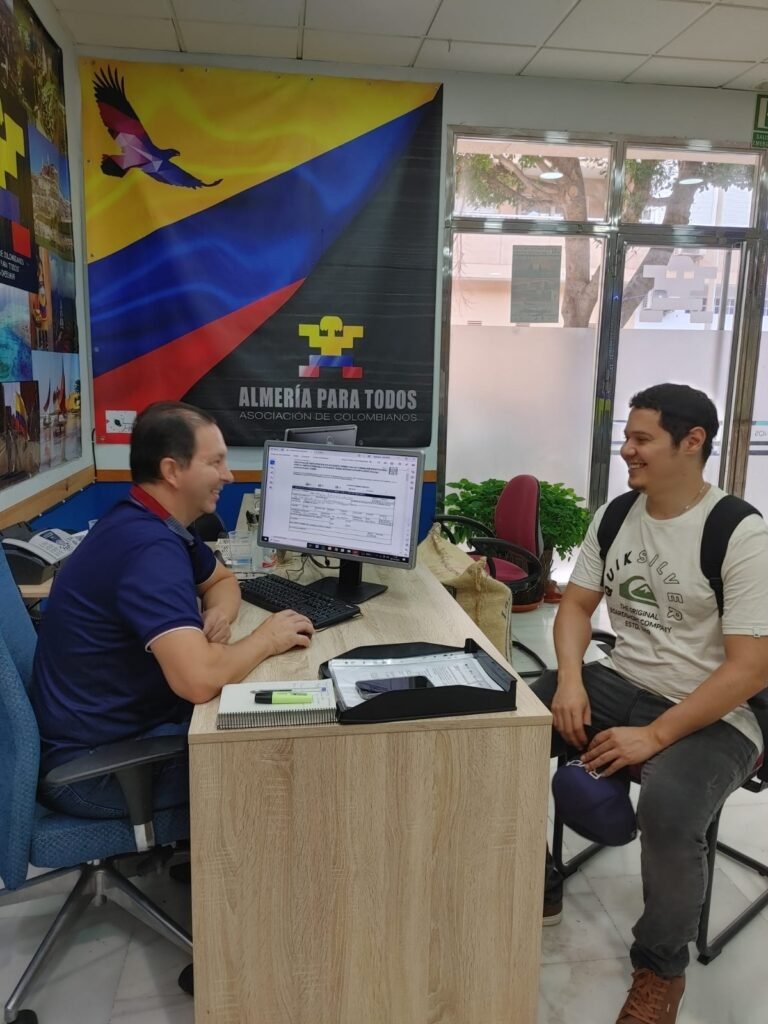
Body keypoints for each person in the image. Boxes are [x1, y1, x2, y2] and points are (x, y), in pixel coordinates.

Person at [531, 383, 768, 1024]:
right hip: (621, 680)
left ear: (692, 442)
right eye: (627, 438)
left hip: (716, 711)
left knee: (668, 807)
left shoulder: (738, 532)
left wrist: (656, 735)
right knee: (507, 728)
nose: (627, 451)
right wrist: (572, 679)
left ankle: (661, 969)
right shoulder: (616, 515)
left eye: (642, 439)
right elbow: (576, 608)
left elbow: (751, 668)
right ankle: (538, 875)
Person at [33, 401, 314, 819]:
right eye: (215, 462)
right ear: (172, 471)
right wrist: (266, 639)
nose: (228, 475)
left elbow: (221, 581)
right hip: (101, 768)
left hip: (126, 730)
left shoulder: (151, 520)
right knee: (289, 759)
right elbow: (199, 681)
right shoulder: (148, 550)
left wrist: (218, 614)